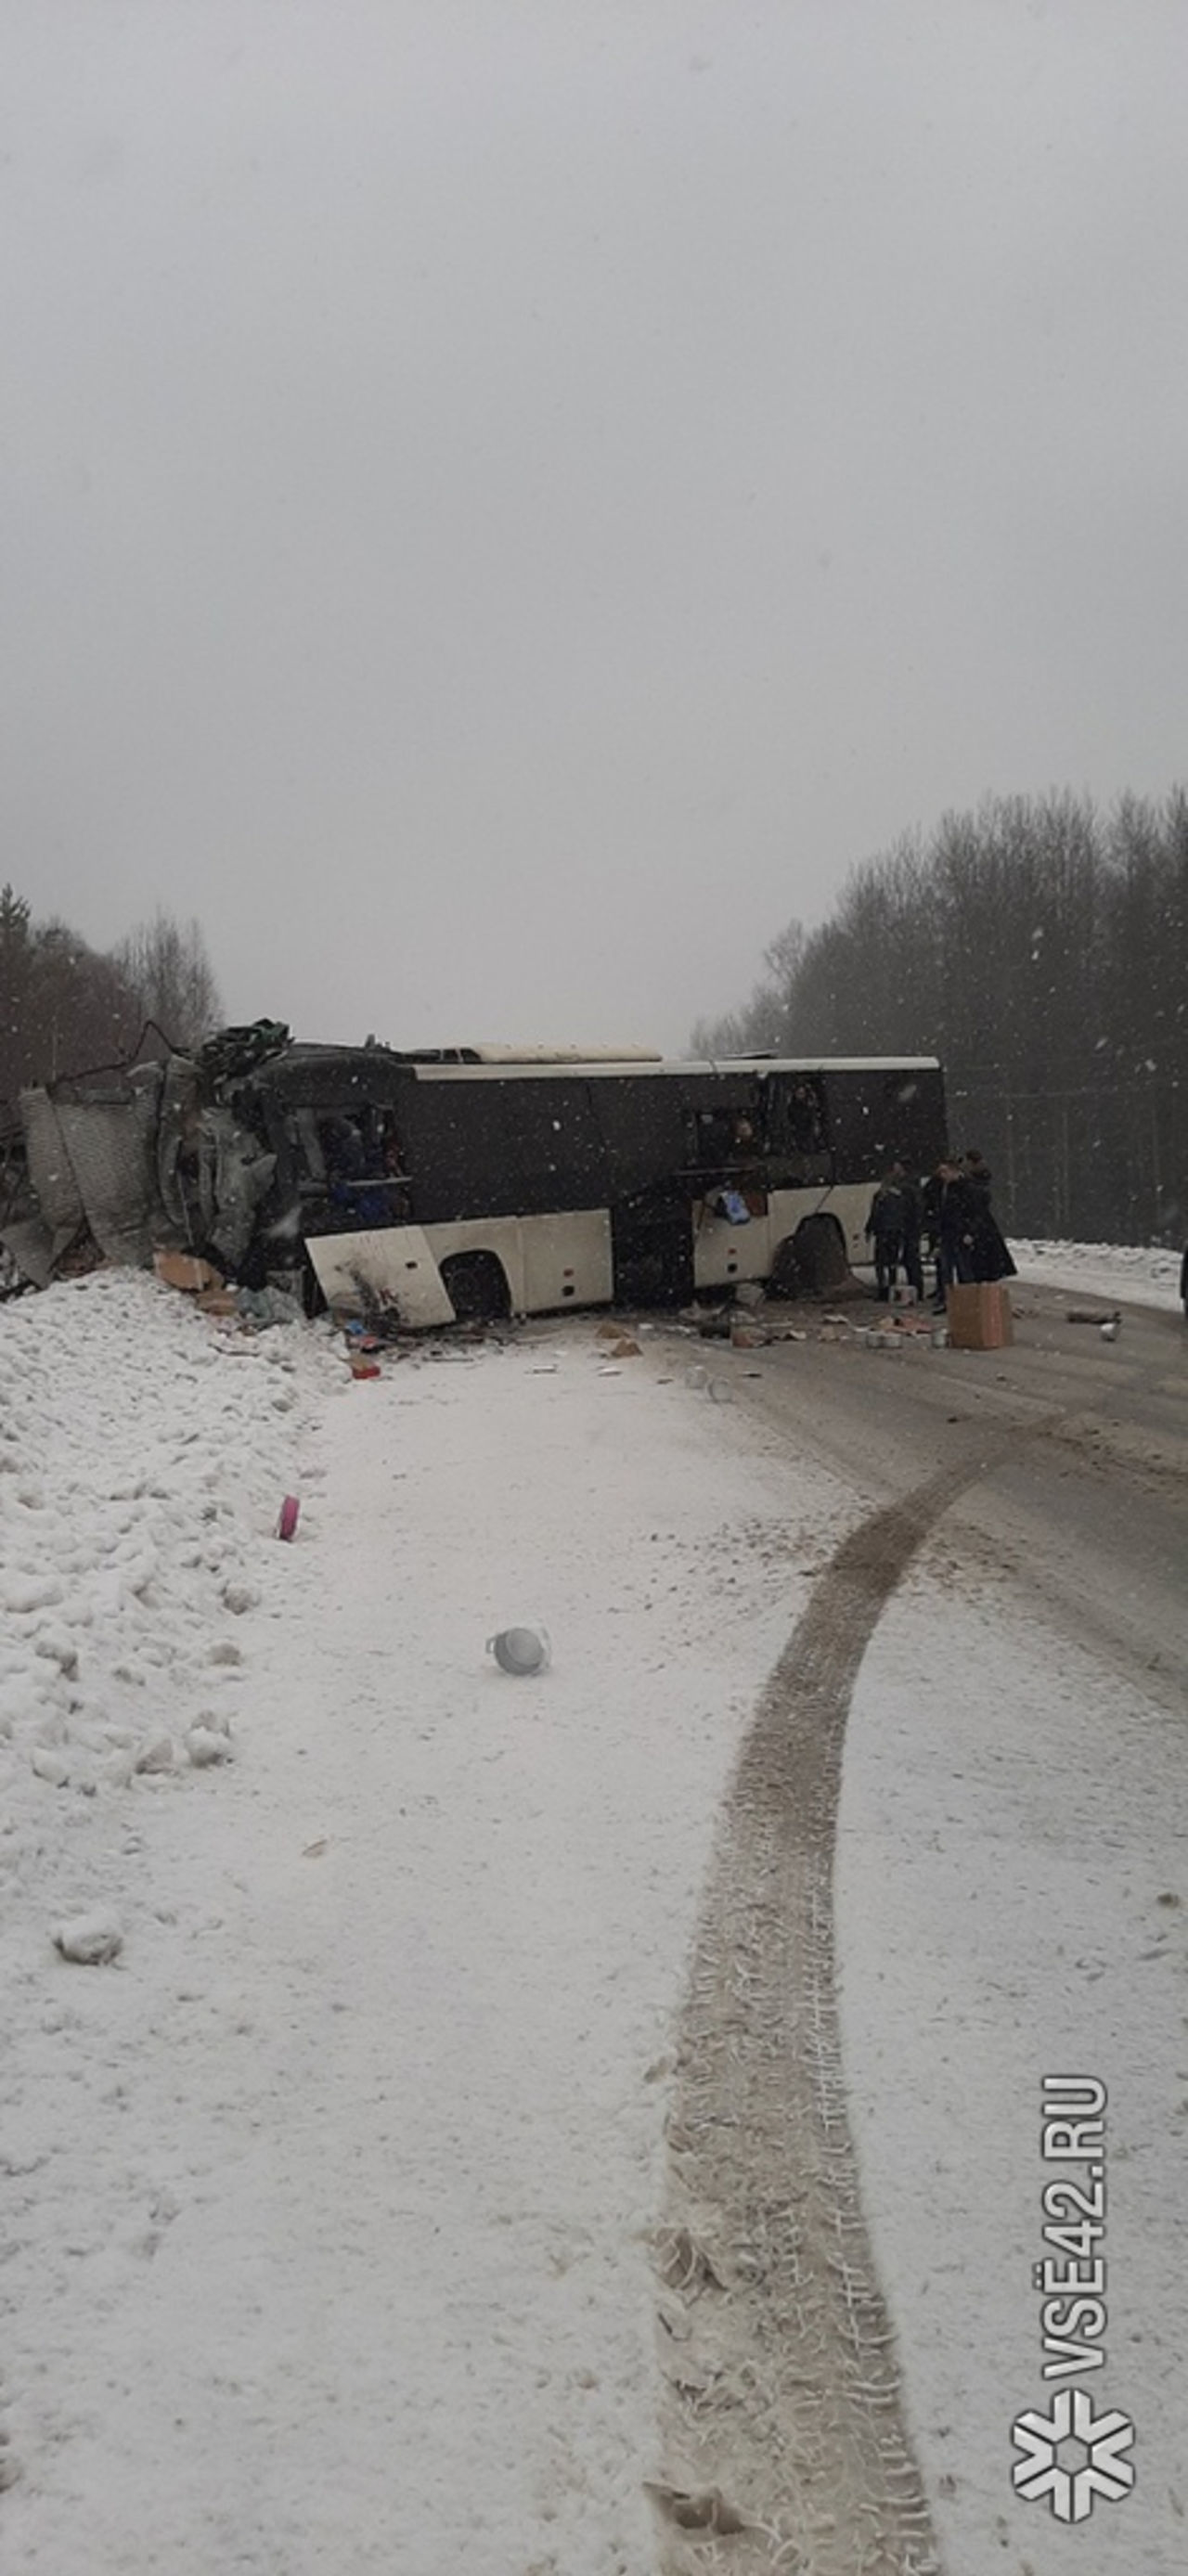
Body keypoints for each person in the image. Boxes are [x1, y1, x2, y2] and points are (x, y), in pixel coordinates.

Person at [961, 1150, 1016, 1283]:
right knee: (985, 1264)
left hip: (980, 1226)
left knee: (980, 1264)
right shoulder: (980, 1182)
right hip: (984, 1226)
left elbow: (978, 1208)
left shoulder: (973, 1185)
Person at [865, 1167, 908, 1301]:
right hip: (896, 1232)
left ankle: (882, 1291)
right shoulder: (901, 1197)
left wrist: (869, 1230)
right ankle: (892, 1288)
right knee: (892, 1263)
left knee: (880, 1263)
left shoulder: (880, 1196)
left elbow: (875, 1215)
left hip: (883, 1232)